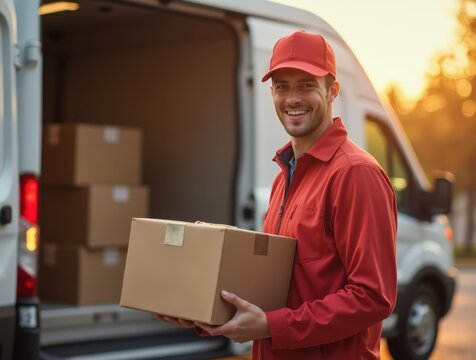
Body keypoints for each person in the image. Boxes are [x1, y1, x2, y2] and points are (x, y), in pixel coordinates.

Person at [157, 30, 398, 360]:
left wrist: (273, 325)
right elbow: (274, 286)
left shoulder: (355, 174)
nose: (292, 98)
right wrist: (208, 314)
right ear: (271, 92)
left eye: (306, 85)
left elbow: (373, 297)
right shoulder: (285, 175)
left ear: (333, 92)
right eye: (282, 86)